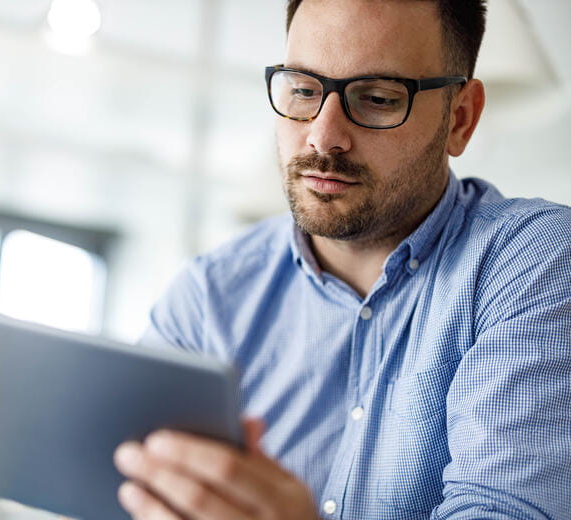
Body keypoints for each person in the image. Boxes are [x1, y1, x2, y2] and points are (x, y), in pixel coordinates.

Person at [113, 0, 571, 518]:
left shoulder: (534, 263)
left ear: (459, 119)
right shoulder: (209, 296)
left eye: (377, 98)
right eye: (304, 90)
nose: (323, 135)